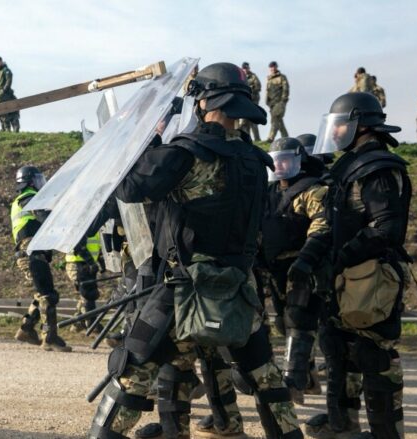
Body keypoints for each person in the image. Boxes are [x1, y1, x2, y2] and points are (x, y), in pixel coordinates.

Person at [87, 62, 302, 439]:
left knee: (130, 375)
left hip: (181, 291)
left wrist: (145, 138)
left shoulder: (186, 154)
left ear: (202, 102)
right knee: (268, 382)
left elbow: (130, 188)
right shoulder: (255, 161)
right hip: (237, 288)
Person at [305, 92, 412, 439]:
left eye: (341, 126)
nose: (335, 134)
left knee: (374, 360)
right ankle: (344, 430)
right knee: (338, 355)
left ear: (361, 126)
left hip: (370, 280)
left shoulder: (378, 169)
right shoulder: (350, 166)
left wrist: (342, 256)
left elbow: (386, 228)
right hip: (344, 280)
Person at [259, 138, 329, 405]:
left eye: (286, 159)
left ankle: (294, 383)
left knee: (299, 320)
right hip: (275, 268)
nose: (280, 165)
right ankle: (309, 377)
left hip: (303, 266)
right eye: (276, 160)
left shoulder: (312, 190)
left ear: (299, 160)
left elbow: (322, 226)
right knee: (282, 322)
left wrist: (306, 260)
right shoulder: (269, 192)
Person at [10, 166, 71, 352]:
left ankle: (26, 329)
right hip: (32, 252)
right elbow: (46, 218)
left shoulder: (21, 199)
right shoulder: (29, 197)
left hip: (29, 252)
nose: (40, 183)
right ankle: (49, 337)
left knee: (43, 292)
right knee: (48, 295)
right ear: (29, 182)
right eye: (37, 180)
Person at [66, 233, 104, 333]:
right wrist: (91, 262)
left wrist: (100, 262)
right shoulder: (84, 223)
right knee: (88, 293)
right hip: (78, 262)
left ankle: (77, 324)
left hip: (85, 262)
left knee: (87, 295)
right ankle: (92, 325)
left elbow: (94, 247)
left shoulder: (93, 224)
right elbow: (78, 246)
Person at [0, 56, 20, 132]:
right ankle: (4, 129)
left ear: (2, 61)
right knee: (1, 112)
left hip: (5, 93)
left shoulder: (6, 70)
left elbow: (9, 81)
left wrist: (5, 89)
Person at [266, 61, 290, 142]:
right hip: (271, 104)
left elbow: (285, 89)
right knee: (279, 120)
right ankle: (286, 137)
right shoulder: (269, 79)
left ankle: (270, 138)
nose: (272, 68)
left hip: (279, 102)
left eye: (273, 66)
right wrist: (267, 102)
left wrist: (283, 100)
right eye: (271, 67)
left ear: (276, 67)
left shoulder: (282, 77)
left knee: (275, 119)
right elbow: (267, 91)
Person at [238, 62, 262, 141]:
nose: (245, 70)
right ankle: (247, 139)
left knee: (253, 121)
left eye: (247, 68)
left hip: (253, 101)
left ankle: (257, 139)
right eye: (244, 68)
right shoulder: (240, 77)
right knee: (244, 122)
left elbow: (258, 87)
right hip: (244, 101)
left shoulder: (253, 76)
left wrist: (249, 90)